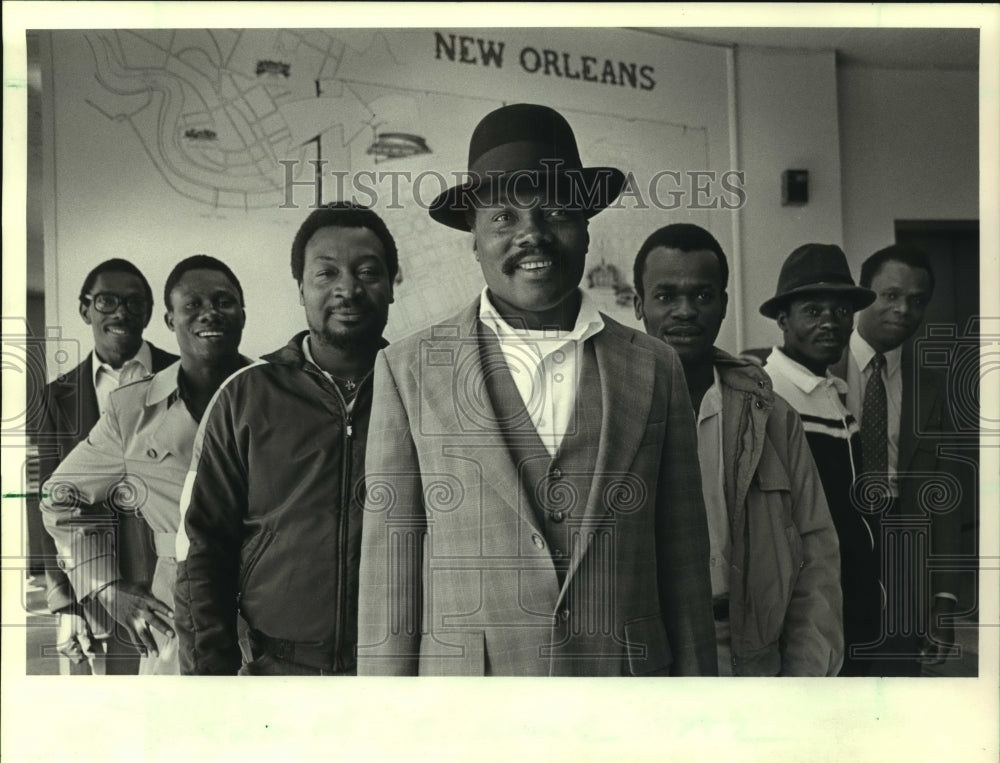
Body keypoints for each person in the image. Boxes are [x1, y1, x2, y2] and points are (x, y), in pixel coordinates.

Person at [356, 103, 717, 676]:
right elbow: (389, 578)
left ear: (586, 229)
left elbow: (683, 563)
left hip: (626, 704)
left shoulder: (655, 367)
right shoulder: (407, 370)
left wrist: (698, 712)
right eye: (503, 218)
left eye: (555, 211)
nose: (533, 235)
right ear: (473, 237)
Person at [174, 203, 397, 675]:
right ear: (301, 289)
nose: (347, 289)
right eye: (326, 273)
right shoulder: (244, 396)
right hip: (276, 674)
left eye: (367, 272)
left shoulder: (420, 391)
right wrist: (206, 688)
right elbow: (200, 551)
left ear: (392, 287)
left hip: (397, 673)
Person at [632, 224, 843, 676]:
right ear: (638, 305)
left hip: (747, 653)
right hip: (647, 657)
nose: (686, 311)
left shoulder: (772, 416)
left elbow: (816, 551)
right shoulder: (609, 412)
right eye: (666, 296)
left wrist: (806, 675)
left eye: (703, 296)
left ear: (724, 304)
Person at [41, 256, 249, 674]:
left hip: (275, 608)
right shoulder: (131, 408)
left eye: (224, 301)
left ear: (243, 313)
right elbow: (57, 497)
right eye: (192, 304)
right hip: (175, 610)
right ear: (170, 319)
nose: (209, 312)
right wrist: (103, 587)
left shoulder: (282, 392)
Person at [34, 259, 177, 674]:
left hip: (170, 575)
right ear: (85, 309)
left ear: (150, 312)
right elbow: (48, 497)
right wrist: (67, 603)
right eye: (107, 301)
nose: (121, 312)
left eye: (134, 302)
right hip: (92, 586)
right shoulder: (54, 397)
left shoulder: (185, 375)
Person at [831, 244, 963, 674]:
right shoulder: (816, 367)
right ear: (862, 294)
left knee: (895, 683)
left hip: (901, 551)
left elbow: (944, 506)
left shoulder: (933, 388)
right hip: (831, 541)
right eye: (890, 295)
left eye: (917, 300)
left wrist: (943, 601)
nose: (904, 309)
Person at [757, 243, 881, 676]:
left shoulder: (832, 392)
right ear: (783, 319)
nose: (830, 322)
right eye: (813, 310)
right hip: (806, 615)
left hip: (852, 600)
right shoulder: (766, 394)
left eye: (842, 311)